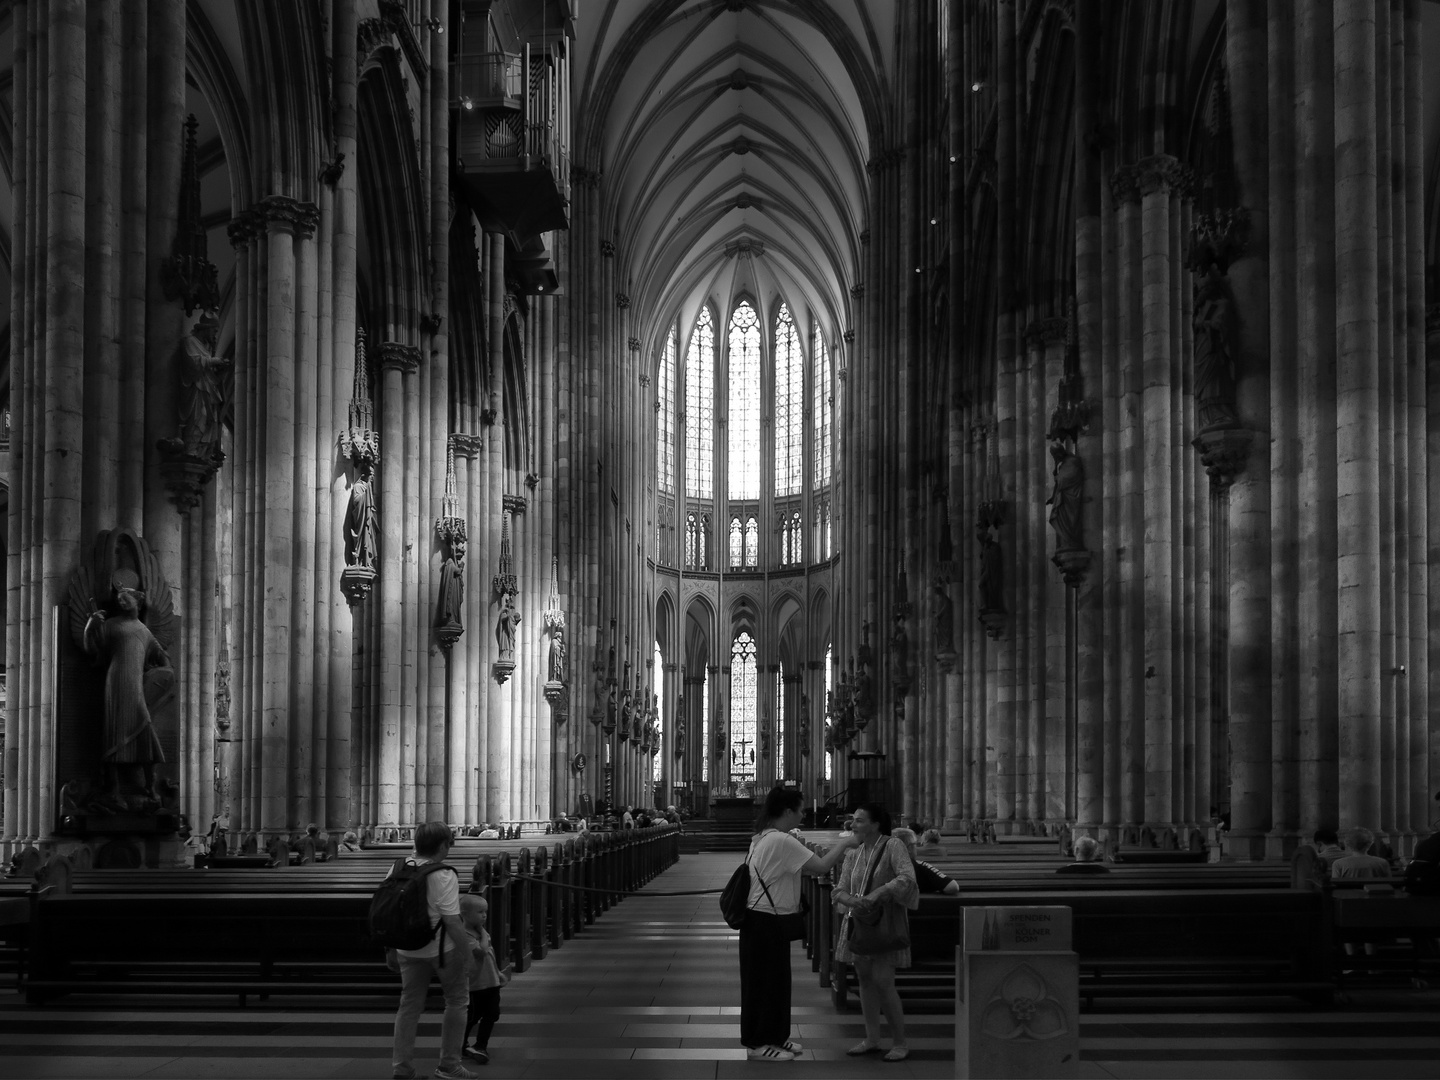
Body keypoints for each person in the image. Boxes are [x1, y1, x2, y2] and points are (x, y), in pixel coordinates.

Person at [738, 786, 859, 1061]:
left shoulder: (765, 837)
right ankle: (759, 1044)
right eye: (801, 810)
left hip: (764, 919)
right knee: (765, 984)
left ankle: (776, 1037)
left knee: (777, 982)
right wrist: (844, 843)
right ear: (788, 811)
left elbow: (795, 869)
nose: (804, 815)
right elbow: (820, 866)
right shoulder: (781, 841)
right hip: (765, 920)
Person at [389, 822, 477, 1080]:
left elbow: (389, 912)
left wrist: (390, 949)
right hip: (442, 950)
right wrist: (469, 954)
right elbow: (452, 921)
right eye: (449, 843)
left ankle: (401, 1069)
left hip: (407, 949)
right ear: (441, 845)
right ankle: (449, 1065)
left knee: (408, 1007)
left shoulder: (397, 866)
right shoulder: (444, 874)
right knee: (457, 1001)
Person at [832, 802, 917, 1062]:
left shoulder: (893, 846)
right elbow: (839, 889)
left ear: (875, 824)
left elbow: (907, 877)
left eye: (858, 820)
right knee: (865, 980)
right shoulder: (853, 854)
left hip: (884, 924)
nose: (852, 824)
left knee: (883, 981)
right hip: (859, 923)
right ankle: (871, 1039)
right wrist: (852, 900)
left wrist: (879, 893)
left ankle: (900, 1042)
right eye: (853, 820)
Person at [84, 572, 174, 805]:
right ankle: (113, 790)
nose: (122, 601)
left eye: (127, 598)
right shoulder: (111, 625)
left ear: (138, 601)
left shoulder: (144, 632)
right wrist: (90, 627)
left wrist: (163, 675)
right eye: (120, 599)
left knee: (145, 729)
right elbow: (92, 649)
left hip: (136, 685)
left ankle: (149, 786)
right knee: (114, 733)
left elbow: (163, 660)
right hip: (115, 682)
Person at [459, 894, 504, 1065]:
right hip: (476, 984)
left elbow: (490, 955)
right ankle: (460, 1044)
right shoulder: (465, 934)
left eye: (485, 912)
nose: (484, 915)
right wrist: (484, 935)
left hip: (491, 981)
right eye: (480, 912)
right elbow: (481, 951)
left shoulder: (479, 931)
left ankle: (481, 1045)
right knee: (473, 1016)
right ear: (464, 914)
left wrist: (498, 973)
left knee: (493, 1013)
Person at [893, 828, 958, 894]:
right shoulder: (920, 867)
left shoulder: (884, 865)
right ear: (909, 848)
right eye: (915, 844)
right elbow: (952, 886)